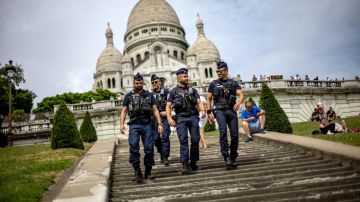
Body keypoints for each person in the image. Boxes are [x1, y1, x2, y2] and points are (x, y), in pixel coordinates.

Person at [119, 73, 163, 183]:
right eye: (137, 83)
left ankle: (148, 171)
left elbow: (155, 110)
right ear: (133, 83)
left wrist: (160, 124)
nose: (139, 85)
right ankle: (137, 171)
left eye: (140, 83)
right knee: (133, 146)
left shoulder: (149, 95)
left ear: (143, 83)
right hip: (134, 125)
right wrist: (121, 124)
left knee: (149, 148)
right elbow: (124, 111)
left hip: (147, 124)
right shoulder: (128, 96)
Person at [166, 67, 205, 175]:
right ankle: (185, 164)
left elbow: (198, 101)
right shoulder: (173, 92)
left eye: (187, 76)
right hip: (181, 118)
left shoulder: (193, 90)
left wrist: (202, 110)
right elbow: (168, 106)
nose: (187, 78)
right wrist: (169, 118)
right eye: (185, 76)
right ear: (179, 78)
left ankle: (193, 162)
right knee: (183, 141)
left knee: (195, 140)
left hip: (193, 117)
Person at [207, 61, 244, 170]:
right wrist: (209, 112)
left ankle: (233, 156)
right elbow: (209, 98)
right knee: (223, 132)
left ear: (226, 71)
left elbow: (241, 95)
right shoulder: (213, 84)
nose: (218, 73)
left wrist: (238, 102)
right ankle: (226, 156)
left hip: (231, 111)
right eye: (217, 71)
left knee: (234, 135)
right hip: (219, 111)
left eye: (220, 71)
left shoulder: (233, 83)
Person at [150, 74, 171, 166]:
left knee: (165, 136)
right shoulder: (149, 95)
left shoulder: (166, 93)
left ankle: (165, 156)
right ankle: (162, 152)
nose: (154, 84)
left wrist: (167, 112)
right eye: (152, 83)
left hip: (164, 118)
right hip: (154, 119)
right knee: (156, 138)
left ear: (159, 83)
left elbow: (172, 104)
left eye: (156, 82)